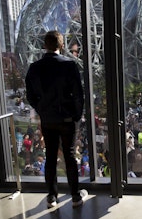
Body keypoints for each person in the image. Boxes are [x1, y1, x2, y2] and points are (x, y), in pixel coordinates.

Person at [25, 30, 87, 208]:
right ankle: (75, 196)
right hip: (67, 119)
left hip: (48, 120)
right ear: (61, 45)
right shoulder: (69, 65)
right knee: (69, 156)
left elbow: (30, 96)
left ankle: (51, 197)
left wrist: (42, 110)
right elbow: (78, 95)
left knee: (50, 156)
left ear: (45, 45)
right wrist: (76, 115)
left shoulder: (34, 68)